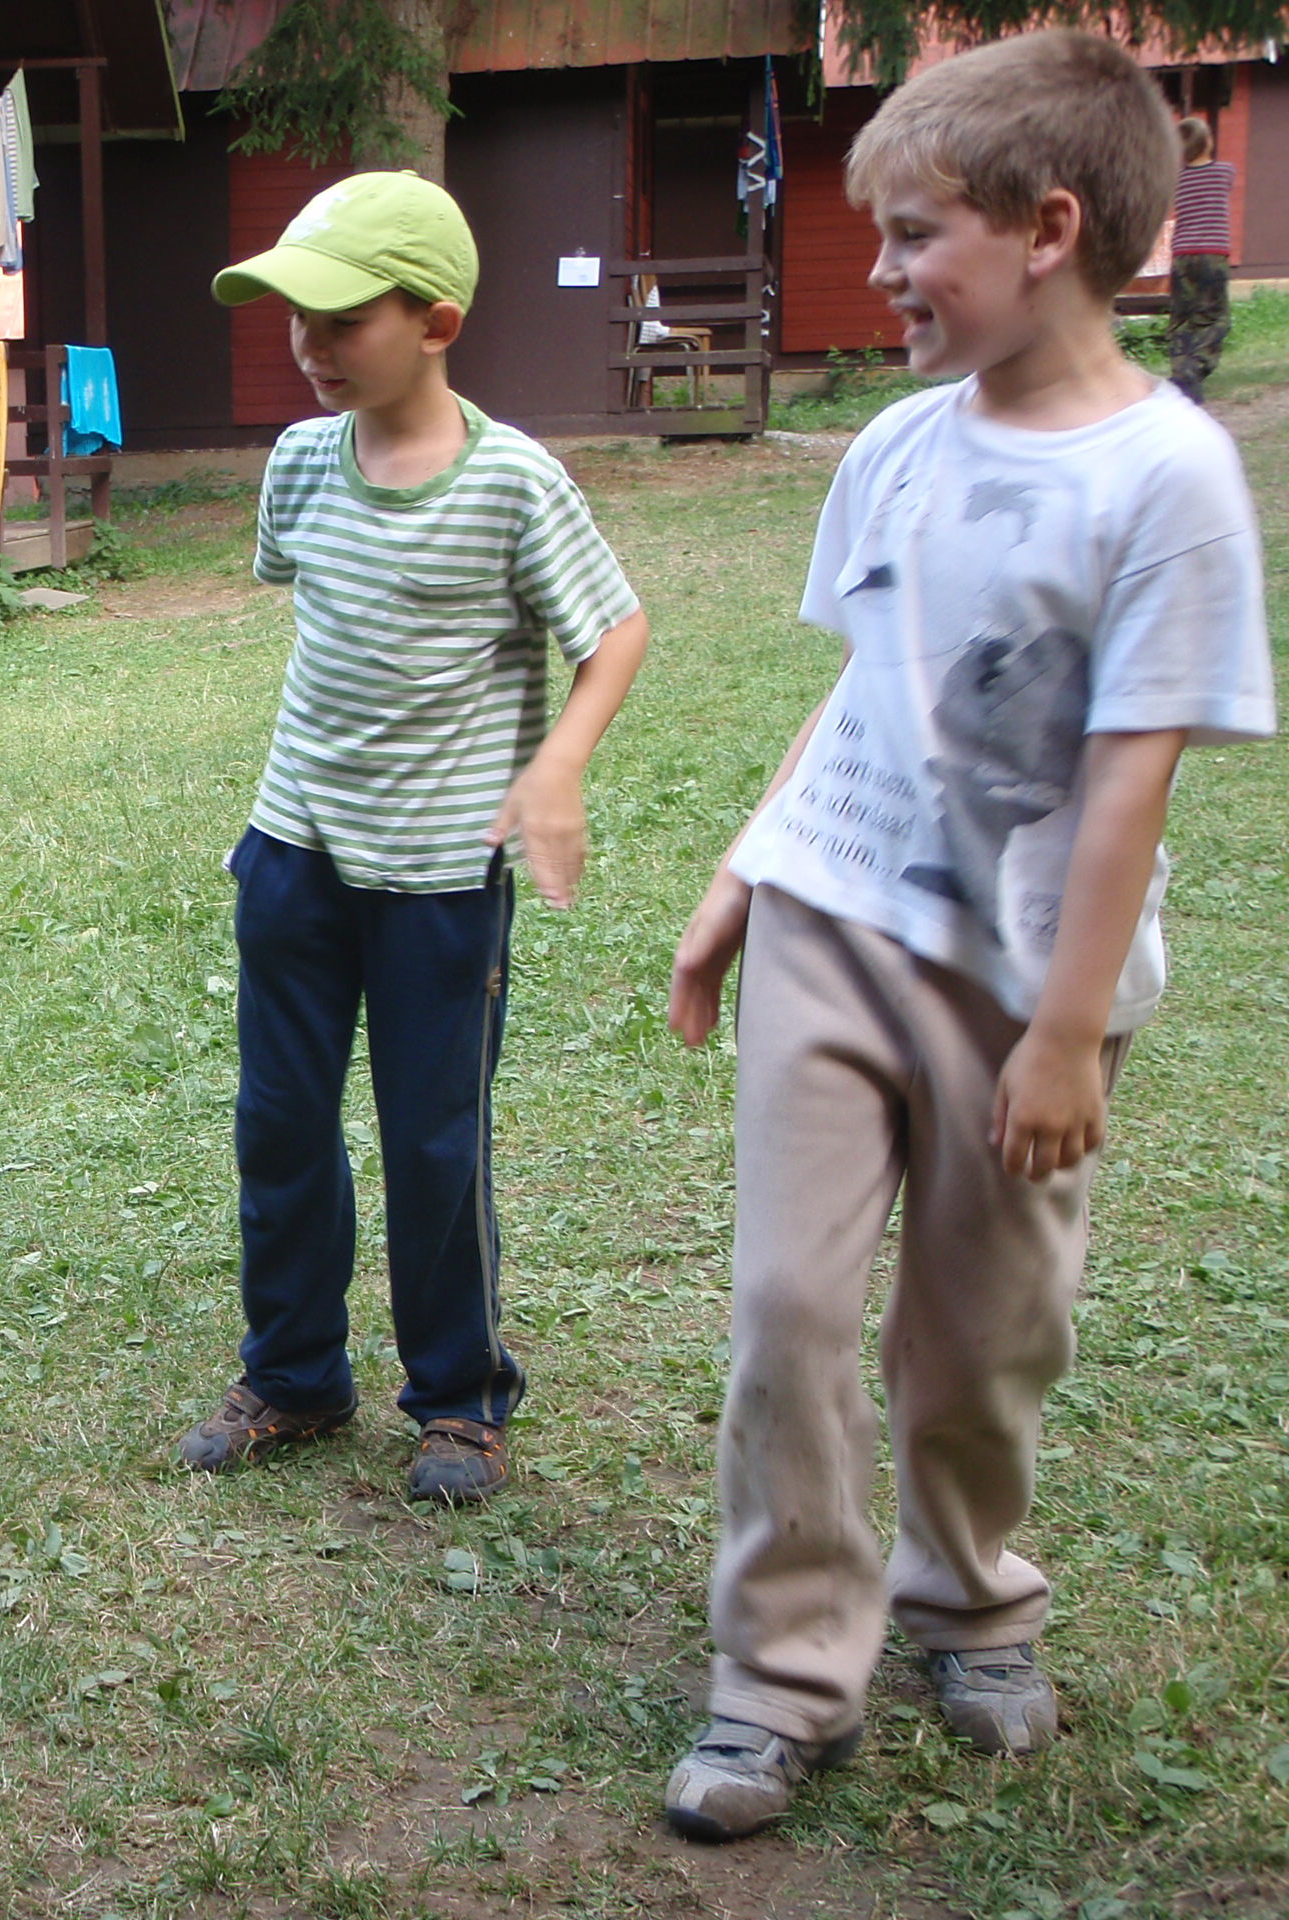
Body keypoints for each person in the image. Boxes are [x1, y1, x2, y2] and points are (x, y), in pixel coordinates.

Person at [661, 32, 1273, 1841]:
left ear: (1049, 230)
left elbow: (1131, 781)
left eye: (916, 235)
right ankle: (782, 1671)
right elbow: (868, 689)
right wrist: (741, 875)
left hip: (1024, 985)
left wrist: (1067, 1033)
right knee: (787, 1307)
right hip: (832, 928)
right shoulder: (898, 447)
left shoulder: (1168, 479)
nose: (881, 272)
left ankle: (967, 1595)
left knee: (984, 1334)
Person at [176, 172, 650, 1504]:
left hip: (441, 875)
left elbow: (614, 631)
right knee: (279, 1125)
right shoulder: (300, 463)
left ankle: (457, 1399)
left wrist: (556, 767)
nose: (310, 346)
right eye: (296, 319)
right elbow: (315, 607)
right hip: (294, 851)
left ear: (436, 322)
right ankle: (293, 1377)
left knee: (434, 1142)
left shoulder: (512, 483)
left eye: (343, 321)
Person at [1166, 114, 1236, 404]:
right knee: (1215, 317)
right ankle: (1194, 370)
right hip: (1212, 253)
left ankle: (1180, 373)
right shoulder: (1224, 172)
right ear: (1208, 141)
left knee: (1182, 317)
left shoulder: (1176, 179)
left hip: (1182, 254)